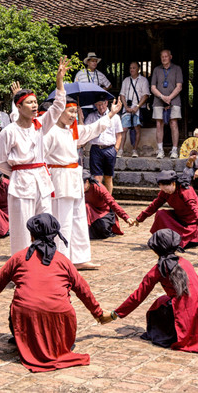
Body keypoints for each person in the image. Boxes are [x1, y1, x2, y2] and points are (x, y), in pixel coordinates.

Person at [0, 214, 112, 373]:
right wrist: (98, 313)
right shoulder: (64, 261)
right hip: (60, 319)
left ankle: (25, 339)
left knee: (21, 304)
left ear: (31, 235)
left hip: (28, 317)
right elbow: (84, 290)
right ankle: (57, 341)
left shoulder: (19, 258)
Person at [109, 229, 198, 353]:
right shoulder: (185, 262)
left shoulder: (158, 270)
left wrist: (114, 314)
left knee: (159, 304)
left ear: (155, 249)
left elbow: (138, 296)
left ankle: (168, 335)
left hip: (185, 316)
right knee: (166, 299)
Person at [0, 57, 68, 256]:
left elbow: (58, 106)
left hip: (42, 181)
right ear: (19, 107)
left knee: (45, 223)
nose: (35, 106)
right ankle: (21, 265)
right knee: (21, 228)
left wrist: (59, 81)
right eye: (29, 103)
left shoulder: (40, 125)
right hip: (21, 183)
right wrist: (18, 172)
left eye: (35, 102)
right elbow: (0, 162)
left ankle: (45, 261)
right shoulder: (9, 131)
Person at [44, 96, 122, 269]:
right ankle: (62, 258)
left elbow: (93, 129)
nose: (73, 115)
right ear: (59, 111)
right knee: (63, 220)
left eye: (75, 111)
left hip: (74, 177)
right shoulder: (49, 132)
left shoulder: (73, 131)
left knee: (78, 219)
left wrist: (111, 114)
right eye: (70, 111)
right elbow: (41, 157)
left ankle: (80, 258)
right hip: (59, 178)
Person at [136, 170, 198, 249]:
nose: (165, 192)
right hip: (179, 217)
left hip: (192, 220)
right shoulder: (165, 192)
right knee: (161, 214)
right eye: (163, 190)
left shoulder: (185, 191)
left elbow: (196, 210)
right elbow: (154, 205)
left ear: (173, 183)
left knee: (190, 236)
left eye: (167, 190)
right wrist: (139, 218)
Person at [85, 98, 124, 194]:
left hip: (109, 149)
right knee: (97, 177)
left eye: (102, 104)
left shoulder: (115, 117)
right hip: (96, 148)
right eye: (98, 104)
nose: (101, 107)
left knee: (108, 177)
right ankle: (99, 199)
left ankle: (108, 200)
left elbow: (119, 135)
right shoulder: (91, 117)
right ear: (95, 105)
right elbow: (85, 131)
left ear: (106, 103)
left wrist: (116, 149)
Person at [84, 170, 135, 239]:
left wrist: (126, 217)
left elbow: (112, 202)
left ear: (87, 182)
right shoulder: (77, 190)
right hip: (88, 212)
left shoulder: (99, 187)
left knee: (103, 229)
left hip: (103, 212)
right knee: (86, 206)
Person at [151, 49, 183, 159]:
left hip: (174, 100)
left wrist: (169, 98)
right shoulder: (156, 69)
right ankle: (160, 150)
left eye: (166, 56)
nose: (164, 58)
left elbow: (179, 86)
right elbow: (153, 87)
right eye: (162, 56)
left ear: (170, 57)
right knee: (159, 124)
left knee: (173, 123)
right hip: (158, 100)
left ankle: (174, 150)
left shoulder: (177, 69)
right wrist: (162, 97)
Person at [118, 61, 150, 157]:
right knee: (124, 129)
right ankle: (120, 150)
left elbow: (145, 95)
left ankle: (134, 150)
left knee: (137, 129)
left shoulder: (143, 80)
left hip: (138, 108)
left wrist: (137, 106)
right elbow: (122, 94)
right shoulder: (126, 80)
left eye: (134, 68)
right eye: (130, 68)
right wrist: (126, 106)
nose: (131, 70)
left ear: (138, 69)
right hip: (127, 109)